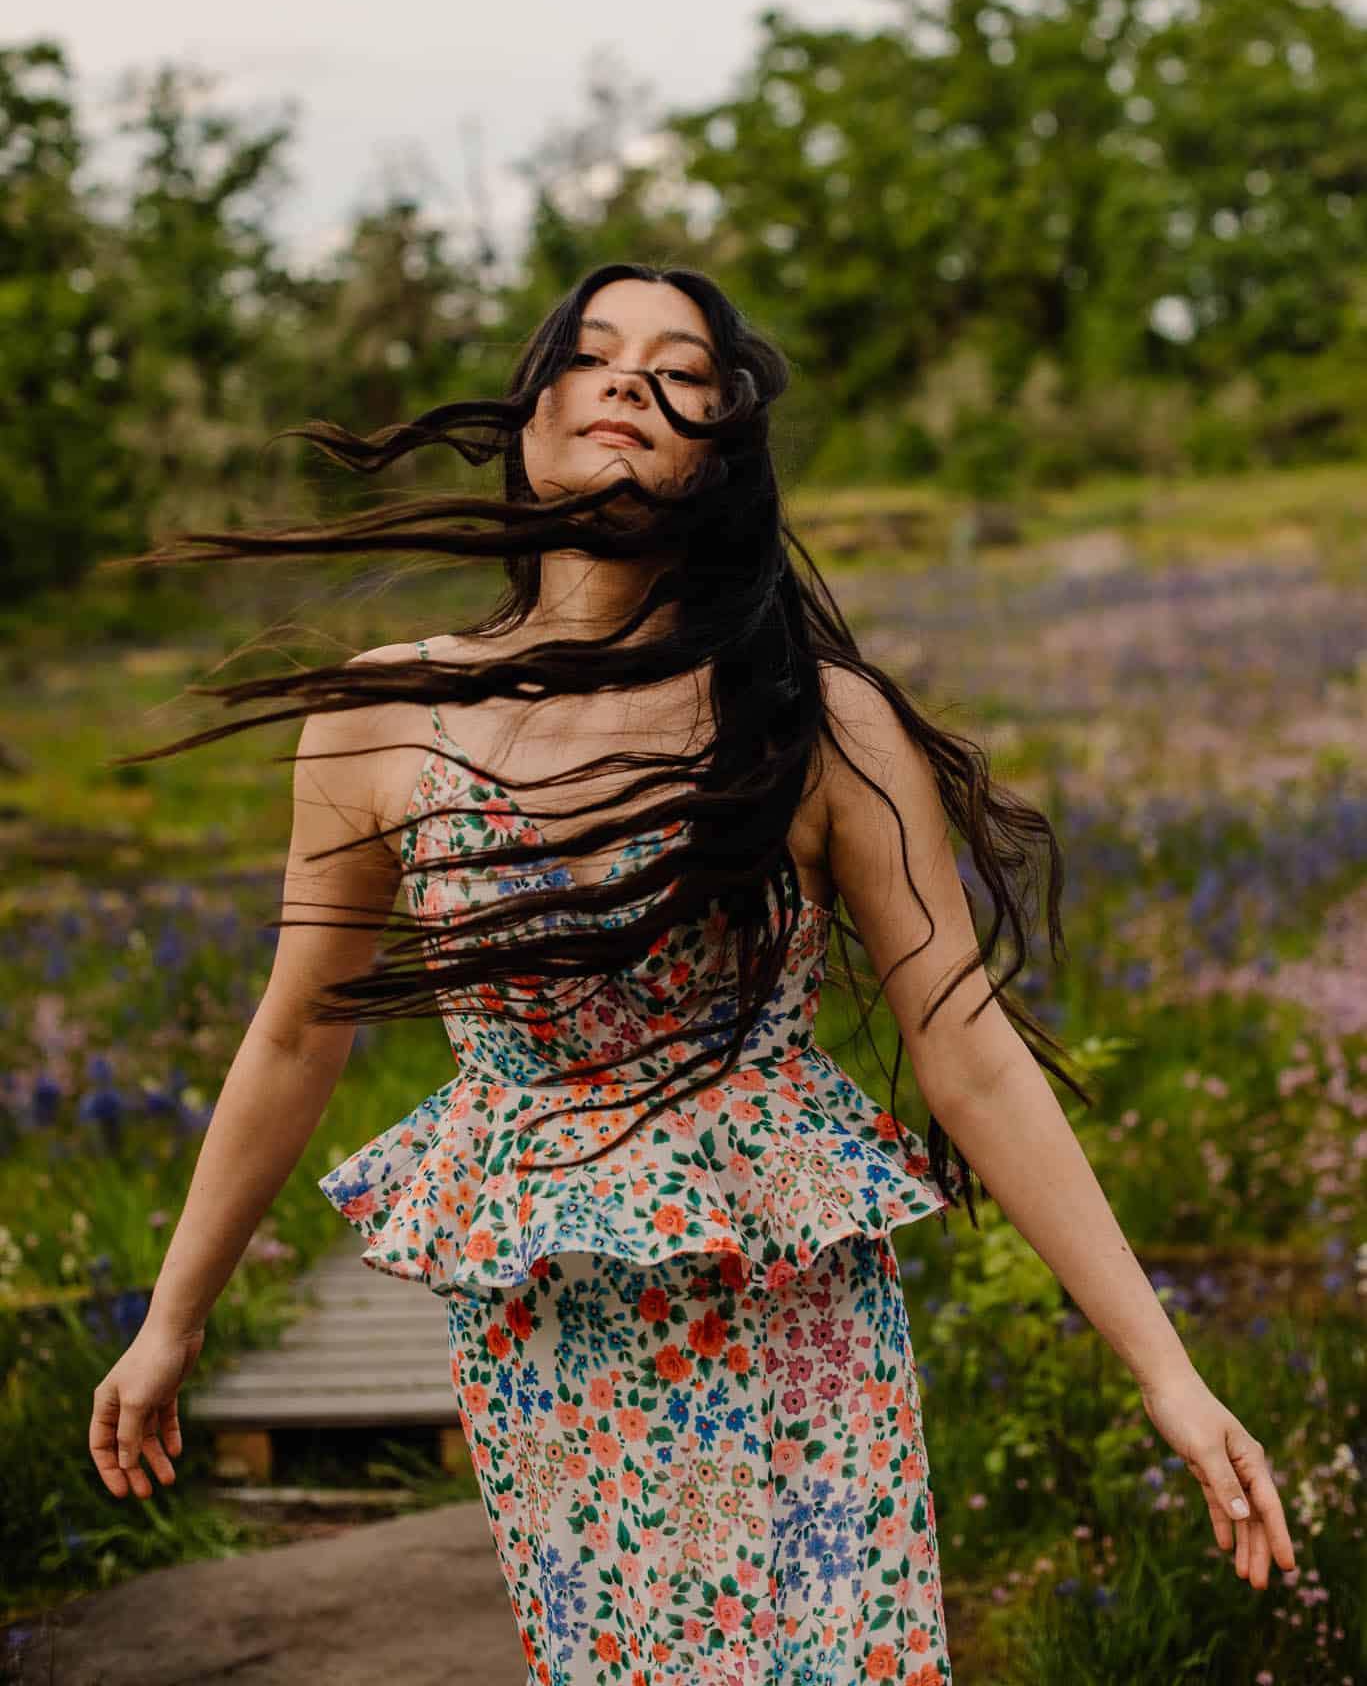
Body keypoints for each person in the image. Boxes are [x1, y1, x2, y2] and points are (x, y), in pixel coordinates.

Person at [88, 263, 1296, 1681]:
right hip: (553, 1328)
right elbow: (296, 1033)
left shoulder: (806, 715)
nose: (627, 381)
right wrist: (174, 1320)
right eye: (592, 355)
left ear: (721, 443)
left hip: (791, 1324)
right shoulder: (381, 716)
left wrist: (1169, 1369)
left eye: (677, 368)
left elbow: (963, 1042)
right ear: (530, 416)